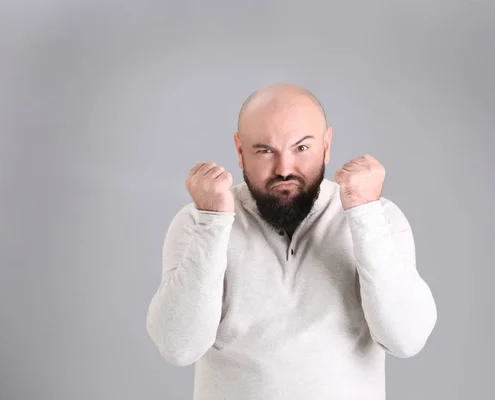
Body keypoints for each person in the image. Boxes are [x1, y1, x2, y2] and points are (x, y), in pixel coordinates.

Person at [146, 83, 437, 400]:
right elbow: (178, 347)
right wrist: (213, 222)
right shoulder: (199, 220)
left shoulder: (378, 217)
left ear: (326, 145)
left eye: (301, 148)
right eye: (265, 150)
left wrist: (364, 213)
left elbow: (406, 340)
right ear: (240, 151)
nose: (284, 169)